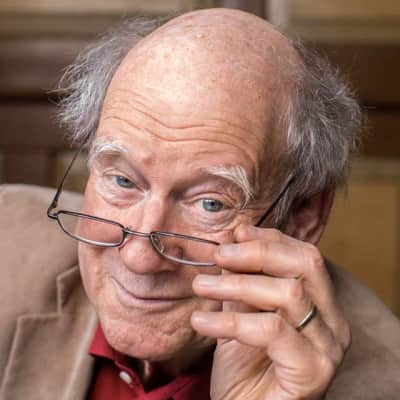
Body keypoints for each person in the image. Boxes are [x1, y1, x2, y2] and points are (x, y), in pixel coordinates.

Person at [1, 8, 400, 400]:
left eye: (210, 204)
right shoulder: (7, 246)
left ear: (302, 215)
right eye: (122, 180)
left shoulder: (386, 382)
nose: (140, 258)